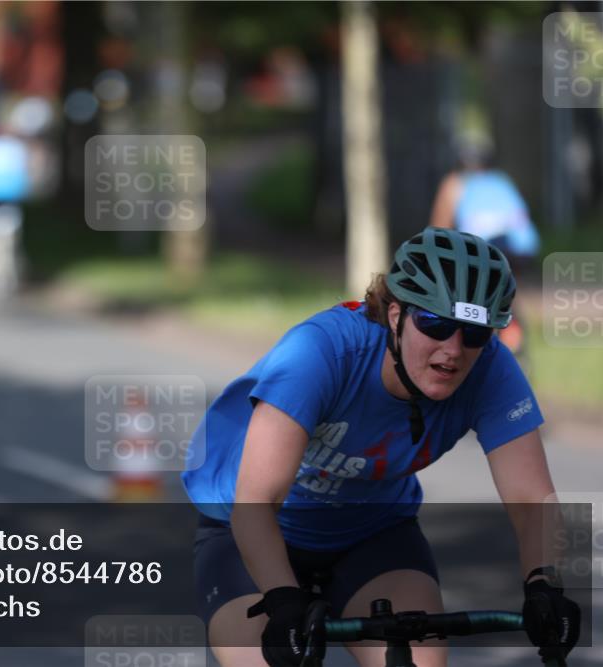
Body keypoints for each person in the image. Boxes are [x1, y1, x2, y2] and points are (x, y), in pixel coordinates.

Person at [182, 228, 580, 667]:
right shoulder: (321, 353)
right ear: (396, 314)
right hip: (251, 529)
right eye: (435, 323)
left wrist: (544, 585)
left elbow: (531, 500)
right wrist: (282, 597)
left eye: (473, 334)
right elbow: (257, 501)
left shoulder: (490, 370)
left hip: (371, 533)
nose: (452, 350)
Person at [429, 136, 540, 357]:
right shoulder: (502, 181)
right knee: (504, 297)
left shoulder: (455, 183)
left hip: (486, 249)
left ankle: (494, 350)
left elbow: (438, 230)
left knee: (475, 298)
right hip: (522, 248)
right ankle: (513, 342)